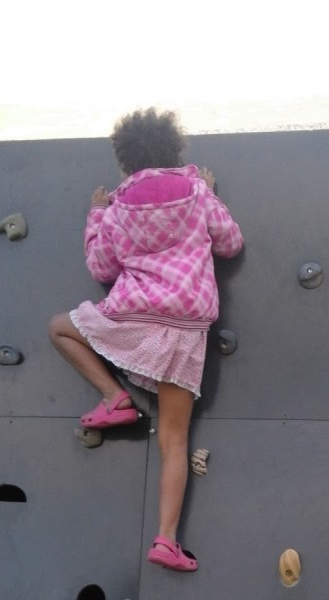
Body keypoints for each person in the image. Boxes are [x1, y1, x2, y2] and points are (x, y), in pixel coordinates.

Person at [49, 108, 243, 572]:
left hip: (133, 317)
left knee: (59, 327)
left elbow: (102, 268)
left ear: (125, 160)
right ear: (175, 149)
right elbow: (230, 244)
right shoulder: (197, 194)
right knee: (174, 440)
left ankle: (114, 397)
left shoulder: (118, 208)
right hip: (185, 329)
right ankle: (166, 540)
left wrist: (96, 215)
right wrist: (212, 196)